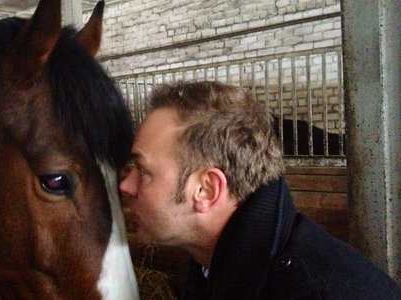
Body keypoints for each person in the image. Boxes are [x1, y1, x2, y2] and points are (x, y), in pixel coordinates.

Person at [119, 81, 401, 299]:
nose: (126, 185)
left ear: (206, 190)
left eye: (143, 172)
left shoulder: (309, 291)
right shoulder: (214, 261)